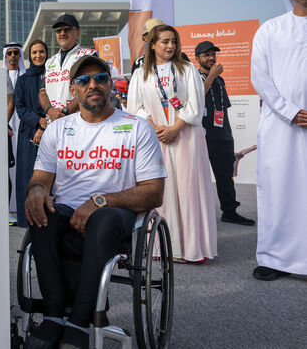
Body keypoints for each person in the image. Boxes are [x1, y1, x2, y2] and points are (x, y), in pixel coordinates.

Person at [25, 55, 166, 349]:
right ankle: (53, 315)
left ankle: (79, 321)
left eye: (100, 78)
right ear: (73, 90)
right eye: (84, 80)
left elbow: (154, 192)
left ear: (111, 85)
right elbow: (40, 180)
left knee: (102, 219)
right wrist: (37, 192)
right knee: (40, 216)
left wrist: (101, 201)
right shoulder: (58, 129)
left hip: (117, 212)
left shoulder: (137, 127)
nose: (93, 85)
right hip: (68, 208)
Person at [126, 25, 217, 262]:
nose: (170, 46)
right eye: (165, 41)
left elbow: (196, 105)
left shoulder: (186, 69)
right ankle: (160, 247)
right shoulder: (141, 74)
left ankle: (191, 248)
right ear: (153, 44)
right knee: (161, 191)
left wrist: (175, 127)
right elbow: (135, 107)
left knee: (188, 190)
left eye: (173, 42)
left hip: (186, 137)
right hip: (156, 138)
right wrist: (155, 127)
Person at [250, 0, 307, 281]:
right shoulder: (271, 30)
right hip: (281, 125)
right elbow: (261, 77)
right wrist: (290, 111)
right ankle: (273, 258)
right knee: (278, 190)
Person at [194, 40, 254, 226]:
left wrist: (228, 135)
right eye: (206, 55)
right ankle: (196, 218)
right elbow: (195, 100)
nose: (211, 58)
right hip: (202, 136)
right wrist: (211, 76)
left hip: (223, 136)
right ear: (197, 58)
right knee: (197, 179)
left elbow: (223, 109)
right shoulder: (194, 77)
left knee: (225, 177)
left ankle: (229, 211)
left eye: (213, 54)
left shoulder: (220, 79)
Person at [13, 39, 47, 228]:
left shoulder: (51, 76)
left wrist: (45, 125)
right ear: (29, 56)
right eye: (34, 53)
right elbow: (20, 108)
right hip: (28, 133)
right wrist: (37, 121)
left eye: (41, 52)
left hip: (50, 131)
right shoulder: (23, 80)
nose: (38, 56)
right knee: (27, 175)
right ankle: (25, 220)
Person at [38, 14, 97, 123]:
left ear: (78, 33)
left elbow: (90, 89)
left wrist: (65, 111)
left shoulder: (88, 55)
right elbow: (42, 93)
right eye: (58, 31)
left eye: (67, 29)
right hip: (53, 122)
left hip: (78, 122)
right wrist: (50, 111)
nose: (62, 33)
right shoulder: (50, 61)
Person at [4, 42, 25, 222]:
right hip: (6, 125)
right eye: (9, 53)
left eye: (15, 53)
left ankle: (21, 206)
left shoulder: (26, 76)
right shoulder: (0, 76)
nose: (12, 56)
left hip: (23, 127)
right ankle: (7, 208)